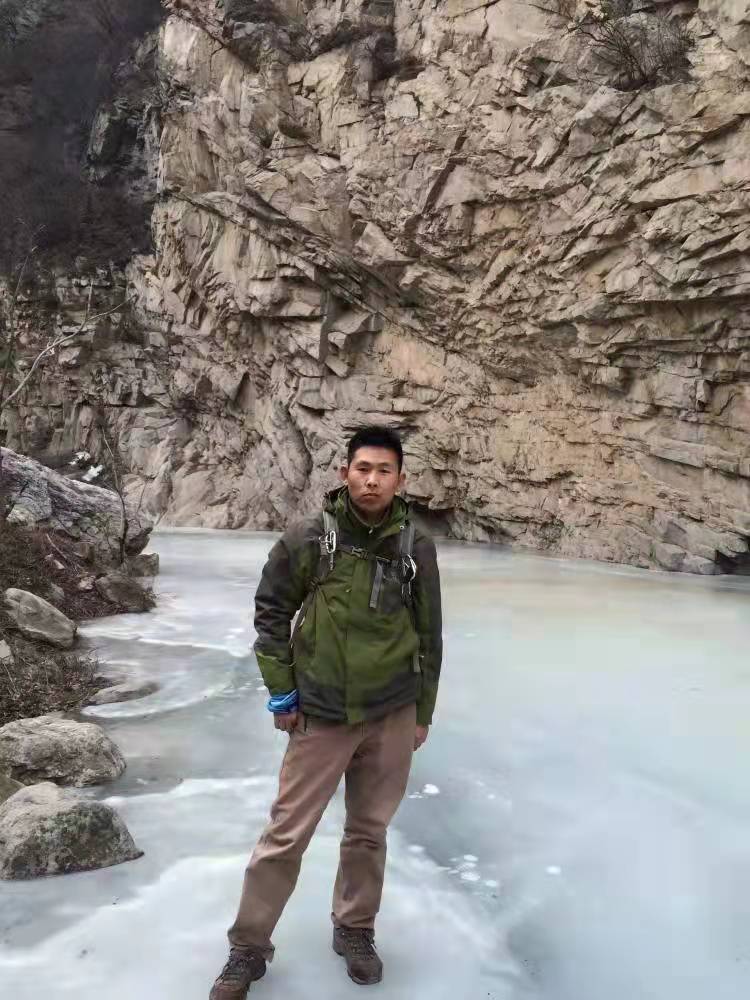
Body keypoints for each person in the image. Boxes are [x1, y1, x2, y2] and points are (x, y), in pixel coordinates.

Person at [209, 425, 443, 998]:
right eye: (363, 469)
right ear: (344, 474)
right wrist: (282, 692)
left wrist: (422, 713)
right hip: (322, 712)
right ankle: (248, 947)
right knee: (287, 833)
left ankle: (354, 929)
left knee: (368, 830)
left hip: (391, 711)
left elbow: (430, 636)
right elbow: (270, 614)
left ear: (400, 480)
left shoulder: (415, 547)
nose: (372, 480)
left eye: (384, 471)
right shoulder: (309, 538)